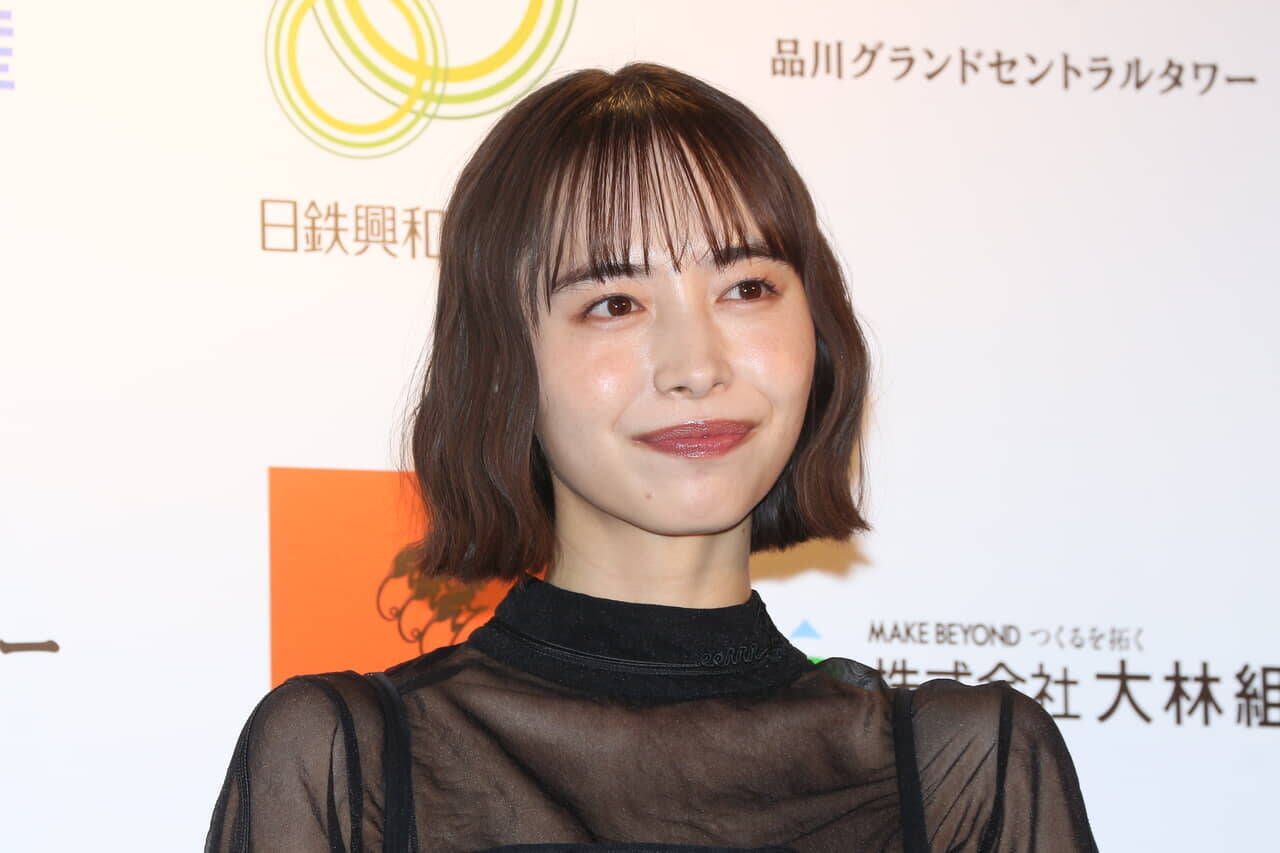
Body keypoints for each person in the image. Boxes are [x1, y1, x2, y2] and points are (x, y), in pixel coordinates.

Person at [206, 62, 1097, 852]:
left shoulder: (962, 774)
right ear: (504, 362)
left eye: (747, 288)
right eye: (614, 304)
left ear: (818, 334)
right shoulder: (349, 762)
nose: (697, 366)